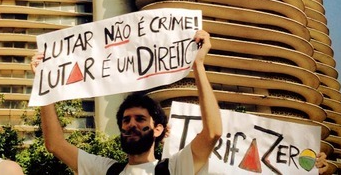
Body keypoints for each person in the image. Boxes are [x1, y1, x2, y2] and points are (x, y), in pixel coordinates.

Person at [31, 29, 223, 174]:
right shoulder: (107, 171)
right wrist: (43, 83)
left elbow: (212, 133)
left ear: (157, 129)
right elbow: (55, 144)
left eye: (140, 119)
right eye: (126, 120)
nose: (131, 124)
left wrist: (198, 64)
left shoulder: (174, 168)